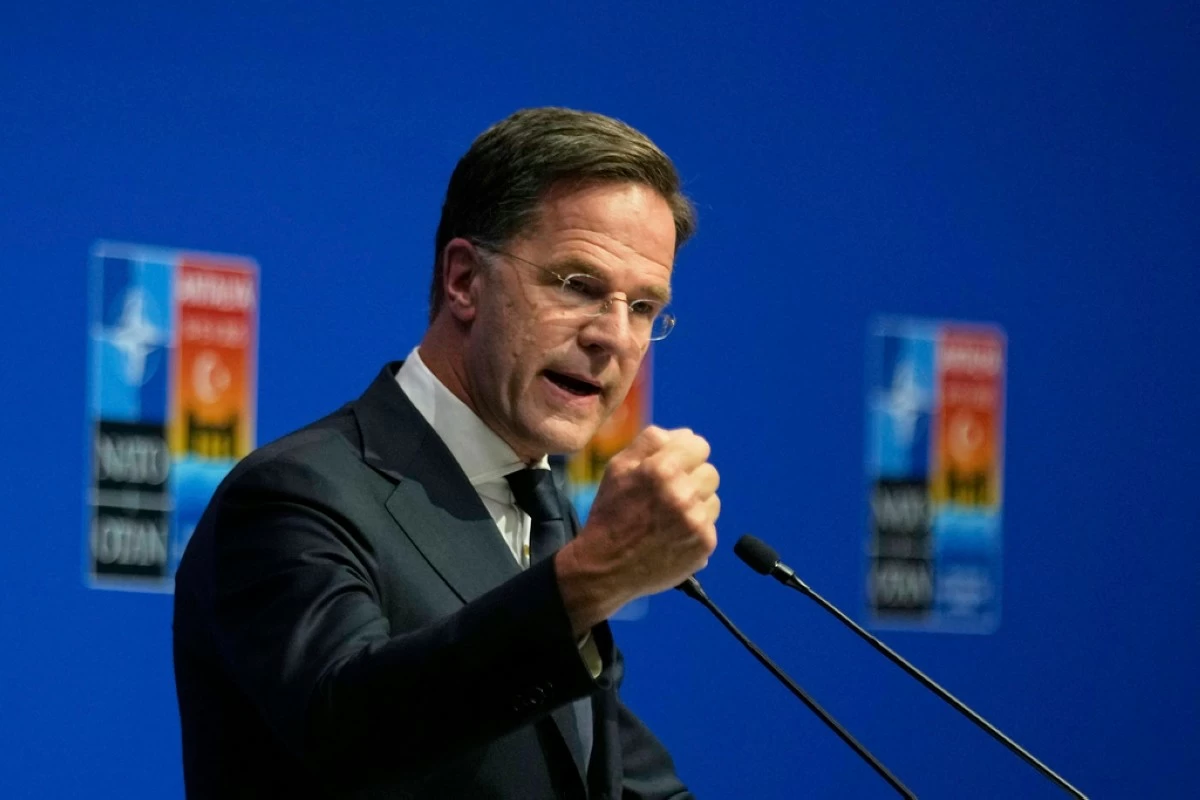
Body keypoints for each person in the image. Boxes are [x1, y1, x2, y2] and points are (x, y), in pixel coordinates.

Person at [173, 107, 720, 799]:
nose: (614, 337)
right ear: (464, 280)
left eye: (643, 308)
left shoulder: (540, 510)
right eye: (578, 285)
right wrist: (589, 581)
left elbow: (599, 777)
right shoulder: (296, 494)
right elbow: (346, 729)